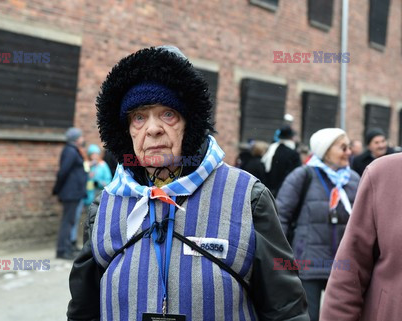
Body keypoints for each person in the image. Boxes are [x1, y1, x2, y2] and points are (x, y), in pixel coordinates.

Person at [67, 46, 309, 320]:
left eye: (168, 114)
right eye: (138, 117)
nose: (153, 128)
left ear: (190, 123)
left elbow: (286, 310)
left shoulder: (247, 197)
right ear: (126, 130)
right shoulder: (104, 207)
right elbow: (83, 311)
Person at [276, 128, 360, 321]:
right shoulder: (302, 176)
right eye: (343, 147)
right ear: (326, 151)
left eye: (349, 147)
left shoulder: (354, 179)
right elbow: (280, 217)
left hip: (344, 265)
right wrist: (282, 256)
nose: (349, 152)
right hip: (309, 264)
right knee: (308, 317)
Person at [320, 153, 402, 321]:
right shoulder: (382, 173)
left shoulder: (351, 177)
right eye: (341, 148)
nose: (346, 152)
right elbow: (350, 268)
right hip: (315, 249)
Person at [52, 127, 88, 260]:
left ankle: (68, 247)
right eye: (81, 137)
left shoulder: (73, 151)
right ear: (76, 139)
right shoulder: (70, 151)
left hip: (74, 192)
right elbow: (63, 172)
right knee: (67, 222)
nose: (83, 139)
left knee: (70, 221)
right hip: (70, 193)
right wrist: (57, 189)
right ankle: (62, 250)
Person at [262, 125, 302, 197]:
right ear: (292, 138)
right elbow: (296, 175)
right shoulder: (293, 154)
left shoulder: (273, 150)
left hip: (271, 190)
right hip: (286, 191)